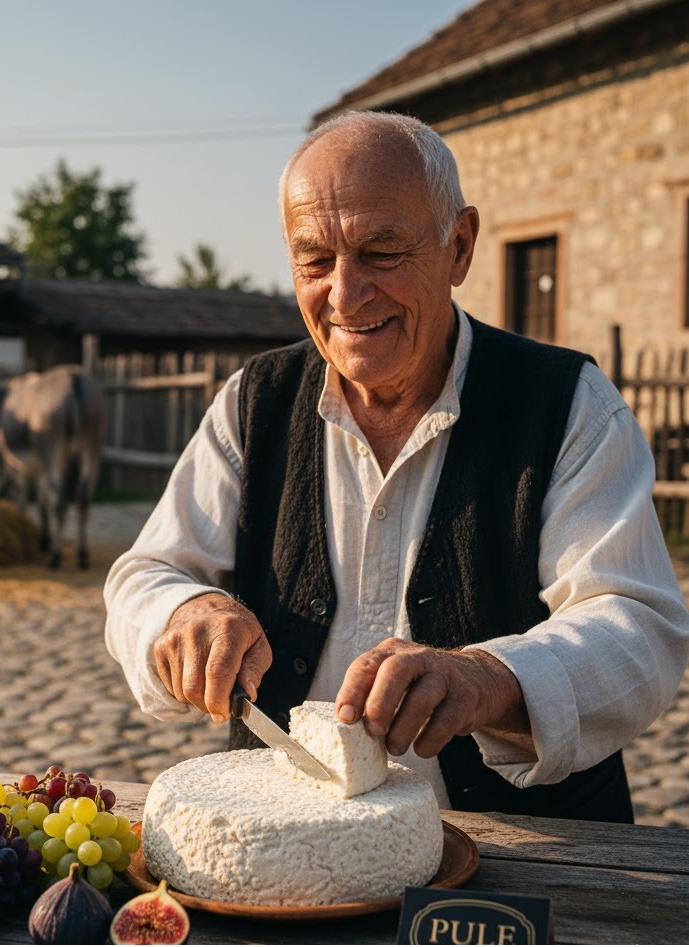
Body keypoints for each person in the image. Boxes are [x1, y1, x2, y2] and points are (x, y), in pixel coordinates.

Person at [103, 110, 689, 822]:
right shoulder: (254, 402)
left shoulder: (567, 404)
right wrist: (183, 610)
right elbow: (144, 576)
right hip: (288, 859)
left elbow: (637, 626)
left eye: (382, 252)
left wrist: (488, 678)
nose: (345, 295)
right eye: (315, 259)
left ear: (460, 247)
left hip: (521, 867)